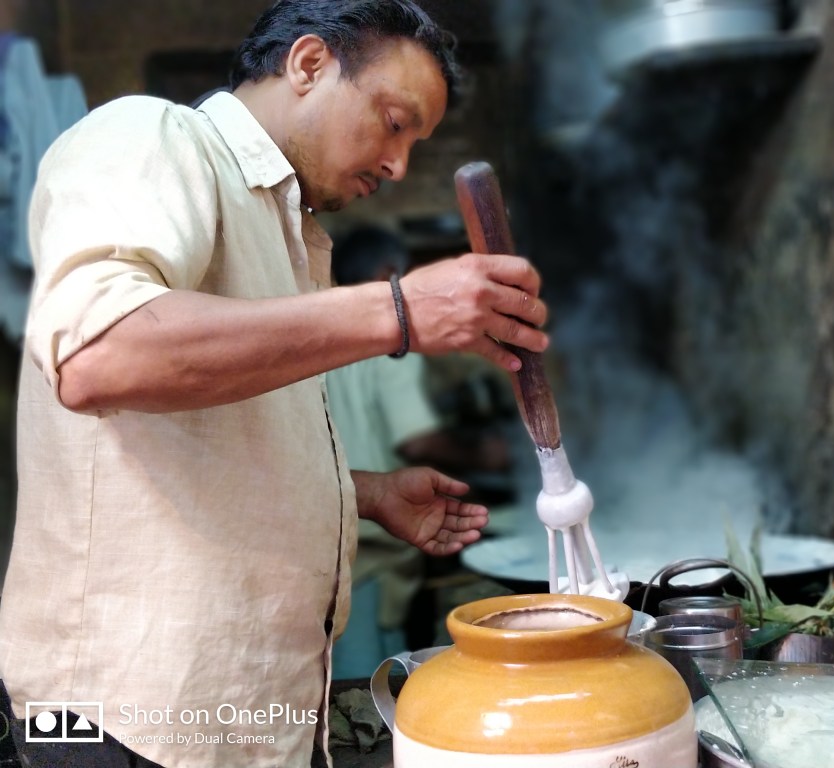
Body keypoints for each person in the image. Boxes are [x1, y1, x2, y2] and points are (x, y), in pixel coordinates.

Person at [0, 2, 548, 767]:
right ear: (309, 64)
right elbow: (101, 354)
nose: (397, 167)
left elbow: (197, 446)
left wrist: (356, 492)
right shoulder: (153, 137)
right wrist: (399, 309)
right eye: (393, 122)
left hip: (251, 723)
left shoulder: (289, 234)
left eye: (415, 144)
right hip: (121, 719)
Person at [325, 226, 510, 678]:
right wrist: (489, 455)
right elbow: (418, 440)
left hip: (325, 540)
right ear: (391, 274)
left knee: (343, 683)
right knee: (377, 685)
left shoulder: (319, 331)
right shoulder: (390, 338)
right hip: (371, 552)